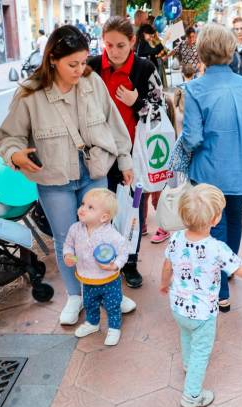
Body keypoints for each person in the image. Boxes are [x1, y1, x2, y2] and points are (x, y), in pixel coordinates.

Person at [0, 25, 135, 326]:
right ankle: (76, 295)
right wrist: (16, 155)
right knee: (66, 239)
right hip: (54, 179)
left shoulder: (92, 82)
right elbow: (8, 138)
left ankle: (109, 288)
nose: (80, 69)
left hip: (94, 171)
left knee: (101, 233)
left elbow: (113, 123)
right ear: (52, 60)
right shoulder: (29, 93)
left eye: (84, 62)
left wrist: (125, 161)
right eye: (73, 64)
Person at [159, 184, 242, 407]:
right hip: (203, 314)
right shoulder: (217, 248)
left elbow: (167, 266)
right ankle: (191, 396)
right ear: (214, 220)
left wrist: (164, 285)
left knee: (186, 334)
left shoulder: (175, 239)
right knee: (202, 351)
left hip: (178, 305)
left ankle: (187, 364)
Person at [175, 23, 242, 313]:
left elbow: (193, 137)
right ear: (230, 50)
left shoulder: (195, 88)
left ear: (201, 52)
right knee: (234, 218)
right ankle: (229, 268)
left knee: (216, 226)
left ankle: (220, 290)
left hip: (211, 172)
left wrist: (183, 149)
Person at [89, 16, 167, 286]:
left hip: (135, 154)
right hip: (99, 153)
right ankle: (106, 260)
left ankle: (130, 262)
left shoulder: (145, 68)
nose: (114, 51)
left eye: (121, 45)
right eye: (109, 45)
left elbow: (161, 109)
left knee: (133, 209)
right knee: (102, 209)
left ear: (133, 42)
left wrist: (138, 102)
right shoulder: (93, 66)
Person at [63, 188, 128, 345]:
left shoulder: (111, 234)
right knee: (89, 303)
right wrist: (68, 255)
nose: (82, 209)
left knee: (112, 305)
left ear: (104, 217)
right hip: (86, 278)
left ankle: (114, 327)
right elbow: (68, 245)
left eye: (90, 207)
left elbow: (124, 251)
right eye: (83, 204)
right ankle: (92, 323)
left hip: (108, 279)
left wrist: (115, 266)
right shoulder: (75, 229)